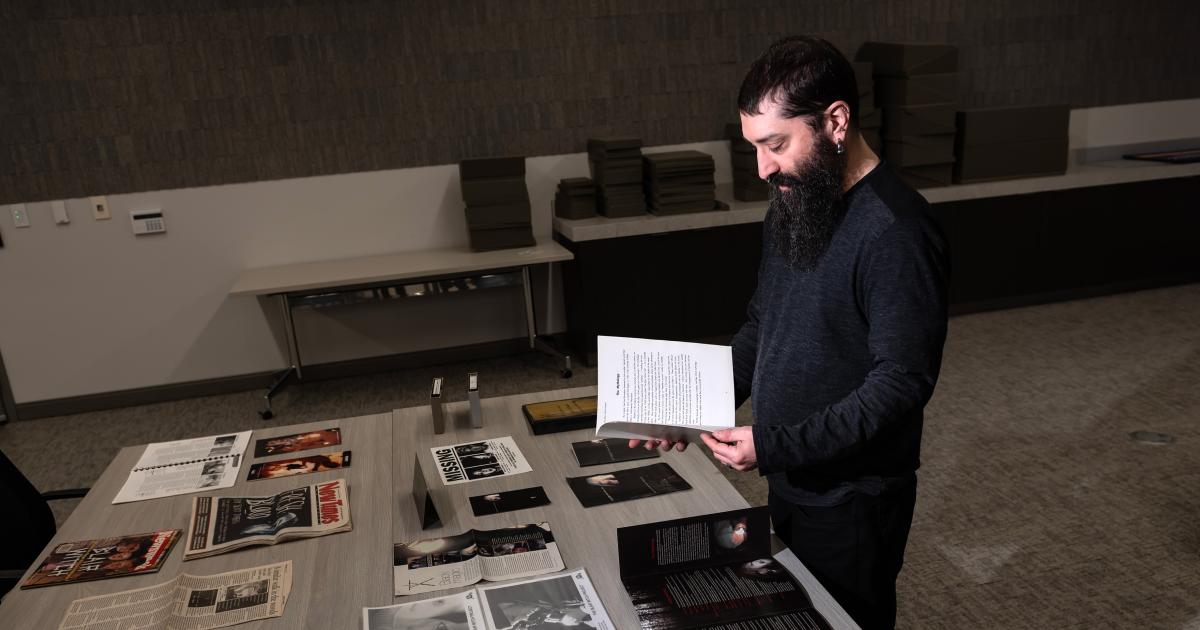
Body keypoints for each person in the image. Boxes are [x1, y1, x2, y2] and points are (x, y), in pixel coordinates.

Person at [632, 36, 949, 630]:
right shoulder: (795, 201)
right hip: (790, 475)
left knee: (846, 620)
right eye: (754, 146)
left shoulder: (898, 232)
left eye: (775, 144)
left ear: (835, 121)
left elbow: (901, 384)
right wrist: (688, 404)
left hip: (854, 496)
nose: (762, 168)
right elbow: (764, 326)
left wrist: (774, 444)